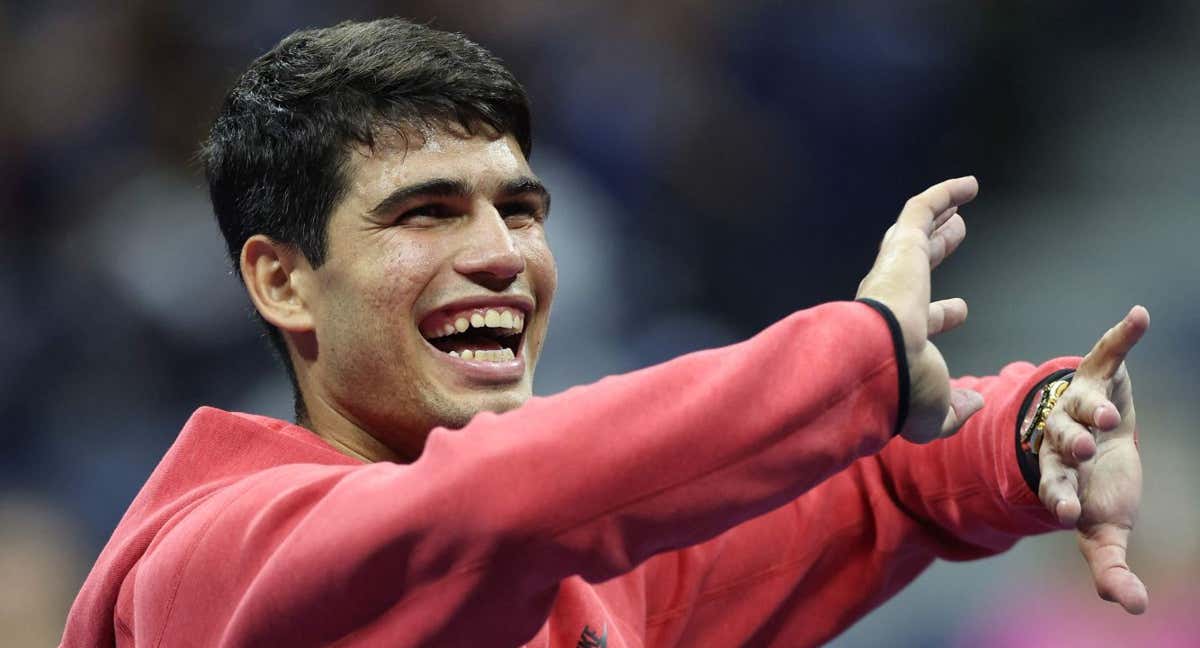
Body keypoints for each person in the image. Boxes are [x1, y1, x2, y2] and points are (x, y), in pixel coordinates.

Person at [61, 18, 1150, 647]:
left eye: (520, 209)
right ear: (282, 283)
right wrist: (858, 354)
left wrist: (1032, 427)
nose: (504, 255)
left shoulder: (585, 587)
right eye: (426, 211)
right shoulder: (202, 571)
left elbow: (877, 492)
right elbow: (486, 508)